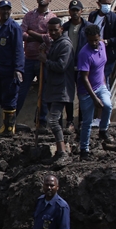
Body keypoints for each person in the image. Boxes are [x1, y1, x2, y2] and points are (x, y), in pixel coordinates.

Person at [18, 0, 57, 126]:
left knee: (44, 91)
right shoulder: (29, 16)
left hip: (43, 60)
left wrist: (31, 33)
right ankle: (12, 119)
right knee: (22, 89)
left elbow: (49, 38)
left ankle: (41, 122)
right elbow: (21, 33)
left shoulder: (52, 18)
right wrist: (36, 37)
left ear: (50, 0)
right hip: (28, 58)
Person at [76, 24, 114, 161]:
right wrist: (94, 98)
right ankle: (84, 150)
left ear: (99, 37)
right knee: (87, 121)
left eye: (96, 40)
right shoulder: (84, 53)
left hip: (101, 85)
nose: (93, 43)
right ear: (87, 38)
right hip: (86, 91)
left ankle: (103, 130)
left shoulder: (102, 45)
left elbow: (102, 66)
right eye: (91, 40)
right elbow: (84, 78)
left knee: (108, 106)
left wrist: (104, 84)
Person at [0, 0, 25, 135]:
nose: (6, 12)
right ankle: (5, 125)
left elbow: (19, 50)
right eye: (3, 9)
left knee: (10, 98)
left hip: (10, 70)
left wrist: (19, 69)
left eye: (8, 9)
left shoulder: (14, 27)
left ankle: (10, 127)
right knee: (2, 98)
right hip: (0, 70)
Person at [39, 17, 74, 161]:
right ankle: (60, 152)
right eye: (50, 30)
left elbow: (61, 66)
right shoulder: (55, 44)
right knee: (56, 122)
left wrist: (45, 60)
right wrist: (45, 53)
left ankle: (63, 152)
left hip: (62, 88)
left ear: (62, 29)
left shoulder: (65, 45)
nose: (52, 32)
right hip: (52, 87)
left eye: (55, 30)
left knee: (52, 120)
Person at [61, 0, 89, 134]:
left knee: (83, 93)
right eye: (72, 10)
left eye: (77, 10)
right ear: (69, 12)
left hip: (83, 65)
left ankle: (83, 121)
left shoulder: (87, 27)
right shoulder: (65, 27)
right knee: (69, 95)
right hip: (68, 65)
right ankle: (70, 121)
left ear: (81, 11)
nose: (75, 13)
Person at [87, 0, 116, 88]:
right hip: (92, 52)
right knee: (92, 78)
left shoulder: (115, 19)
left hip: (108, 54)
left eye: (109, 4)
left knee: (103, 79)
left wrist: (107, 41)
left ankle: (104, 100)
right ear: (98, 4)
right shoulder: (93, 15)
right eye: (105, 4)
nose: (107, 6)